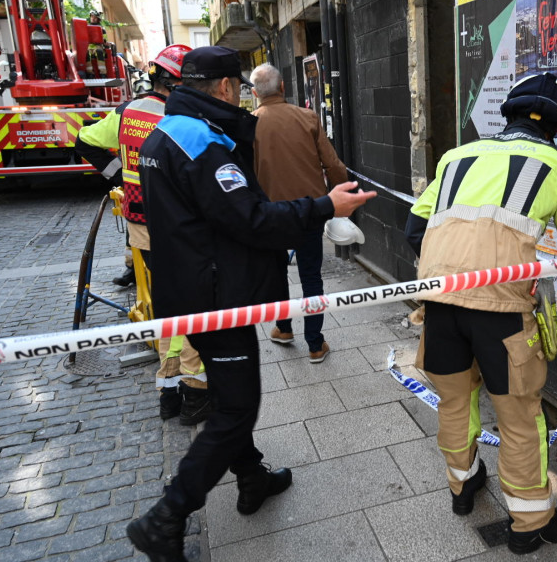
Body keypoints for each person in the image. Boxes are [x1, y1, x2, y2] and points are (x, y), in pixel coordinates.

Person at [126, 45, 376, 561]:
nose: (239, 94)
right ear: (222, 88)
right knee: (238, 408)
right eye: (236, 86)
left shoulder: (166, 131)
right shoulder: (202, 143)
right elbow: (252, 219)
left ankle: (251, 478)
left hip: (187, 290)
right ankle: (167, 515)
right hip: (215, 300)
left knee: (226, 394)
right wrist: (328, 206)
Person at [404, 72, 557, 556]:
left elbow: (414, 230)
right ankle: (529, 522)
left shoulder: (457, 157)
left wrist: (451, 274)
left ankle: (462, 488)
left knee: (456, 404)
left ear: (508, 113)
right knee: (519, 418)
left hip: (440, 306)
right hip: (502, 316)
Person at [75, 44, 212, 427]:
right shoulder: (182, 116)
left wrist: (119, 175)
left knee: (167, 307)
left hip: (142, 227)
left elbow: (84, 141)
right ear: (178, 84)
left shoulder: (126, 112)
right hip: (178, 228)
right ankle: (196, 392)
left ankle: (168, 390)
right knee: (191, 309)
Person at [250, 62, 348, 363]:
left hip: (271, 213)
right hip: (310, 210)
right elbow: (332, 164)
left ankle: (283, 328)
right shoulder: (307, 117)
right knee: (311, 276)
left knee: (277, 275)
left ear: (254, 93)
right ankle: (315, 344)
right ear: (283, 88)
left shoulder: (247, 124)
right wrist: (342, 192)